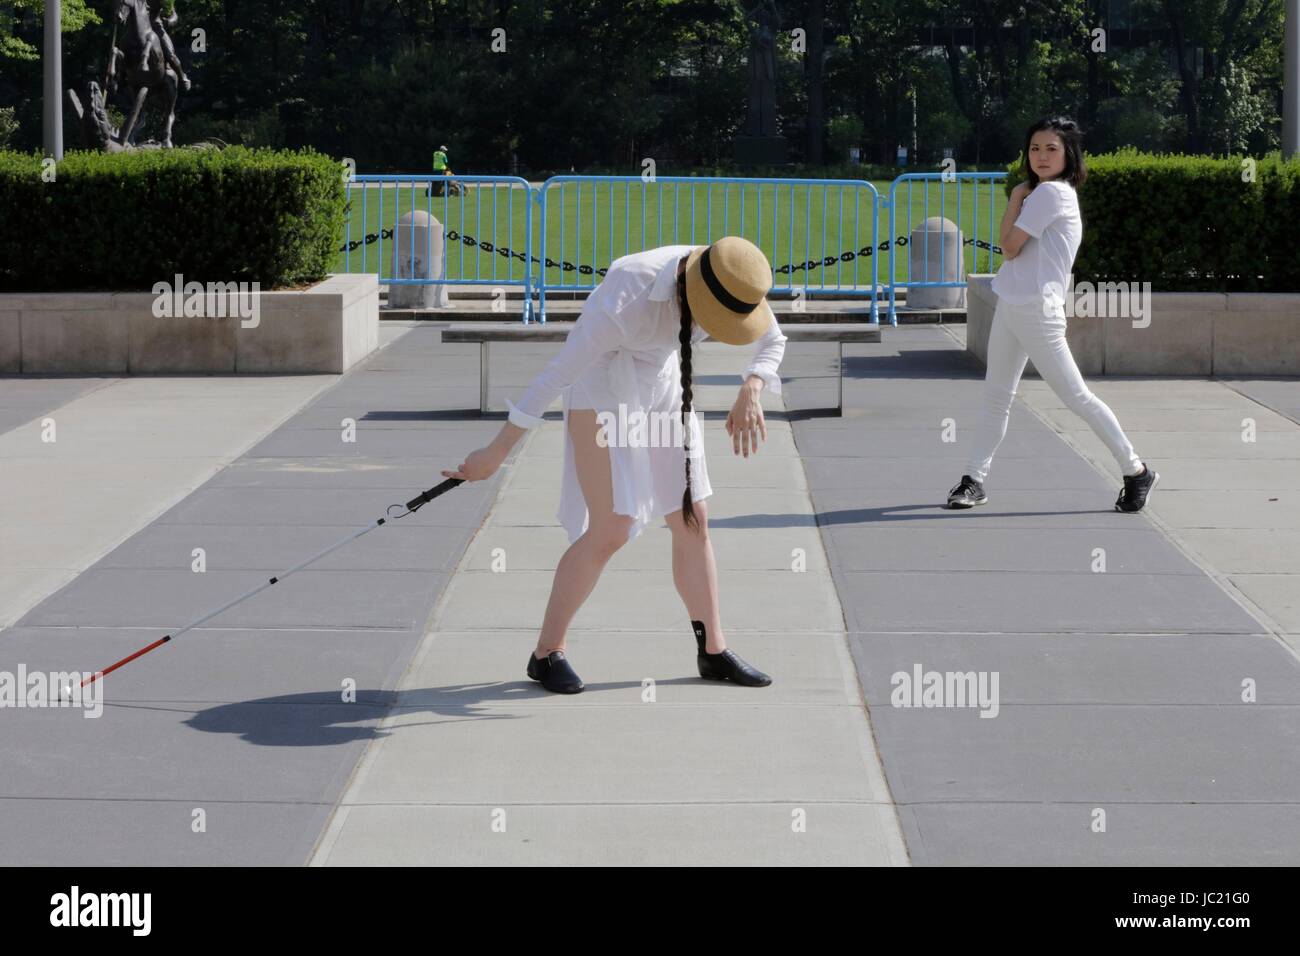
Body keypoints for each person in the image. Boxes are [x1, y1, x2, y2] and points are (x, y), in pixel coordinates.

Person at [443, 237, 788, 693]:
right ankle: (546, 654)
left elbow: (773, 339)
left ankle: (713, 651)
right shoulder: (627, 295)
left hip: (666, 381)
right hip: (602, 387)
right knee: (613, 527)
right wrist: (494, 454)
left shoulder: (734, 275)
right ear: (692, 295)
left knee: (692, 518)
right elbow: (556, 376)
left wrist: (753, 387)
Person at [947, 116, 1159, 513]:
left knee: (1077, 397)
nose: (1041, 156)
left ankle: (1136, 470)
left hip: (1037, 312)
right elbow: (1016, 252)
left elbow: (1008, 247)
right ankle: (973, 480)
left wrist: (1014, 196)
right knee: (997, 397)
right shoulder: (1043, 193)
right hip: (1013, 304)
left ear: (1068, 154)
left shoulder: (1049, 195)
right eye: (1034, 149)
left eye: (1052, 149)